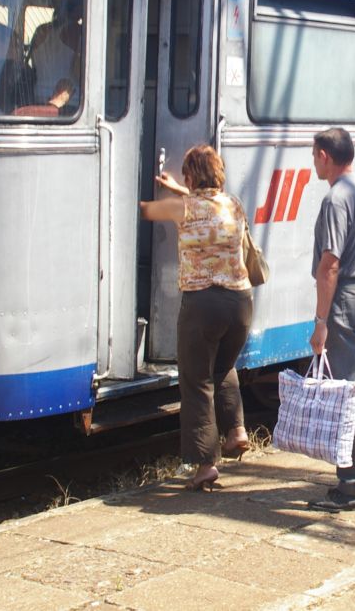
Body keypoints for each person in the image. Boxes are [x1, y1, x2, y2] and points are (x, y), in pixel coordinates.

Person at [139, 145, 253, 491]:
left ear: (190, 176)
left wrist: (169, 193)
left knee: (196, 380)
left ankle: (205, 464)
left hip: (202, 304)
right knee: (223, 367)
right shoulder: (233, 204)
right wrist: (182, 190)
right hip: (240, 303)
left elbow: (145, 211)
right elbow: (207, 207)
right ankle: (236, 431)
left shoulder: (181, 208)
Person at [306, 127, 355, 512]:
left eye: (313, 154)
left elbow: (330, 265)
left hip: (345, 303)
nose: (312, 162)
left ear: (324, 155)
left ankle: (352, 489)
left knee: (346, 395)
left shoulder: (336, 199)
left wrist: (321, 321)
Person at [29, 0, 83, 111]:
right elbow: (79, 72)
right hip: (69, 102)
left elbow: (34, 64)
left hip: (38, 97)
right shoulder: (78, 31)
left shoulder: (41, 30)